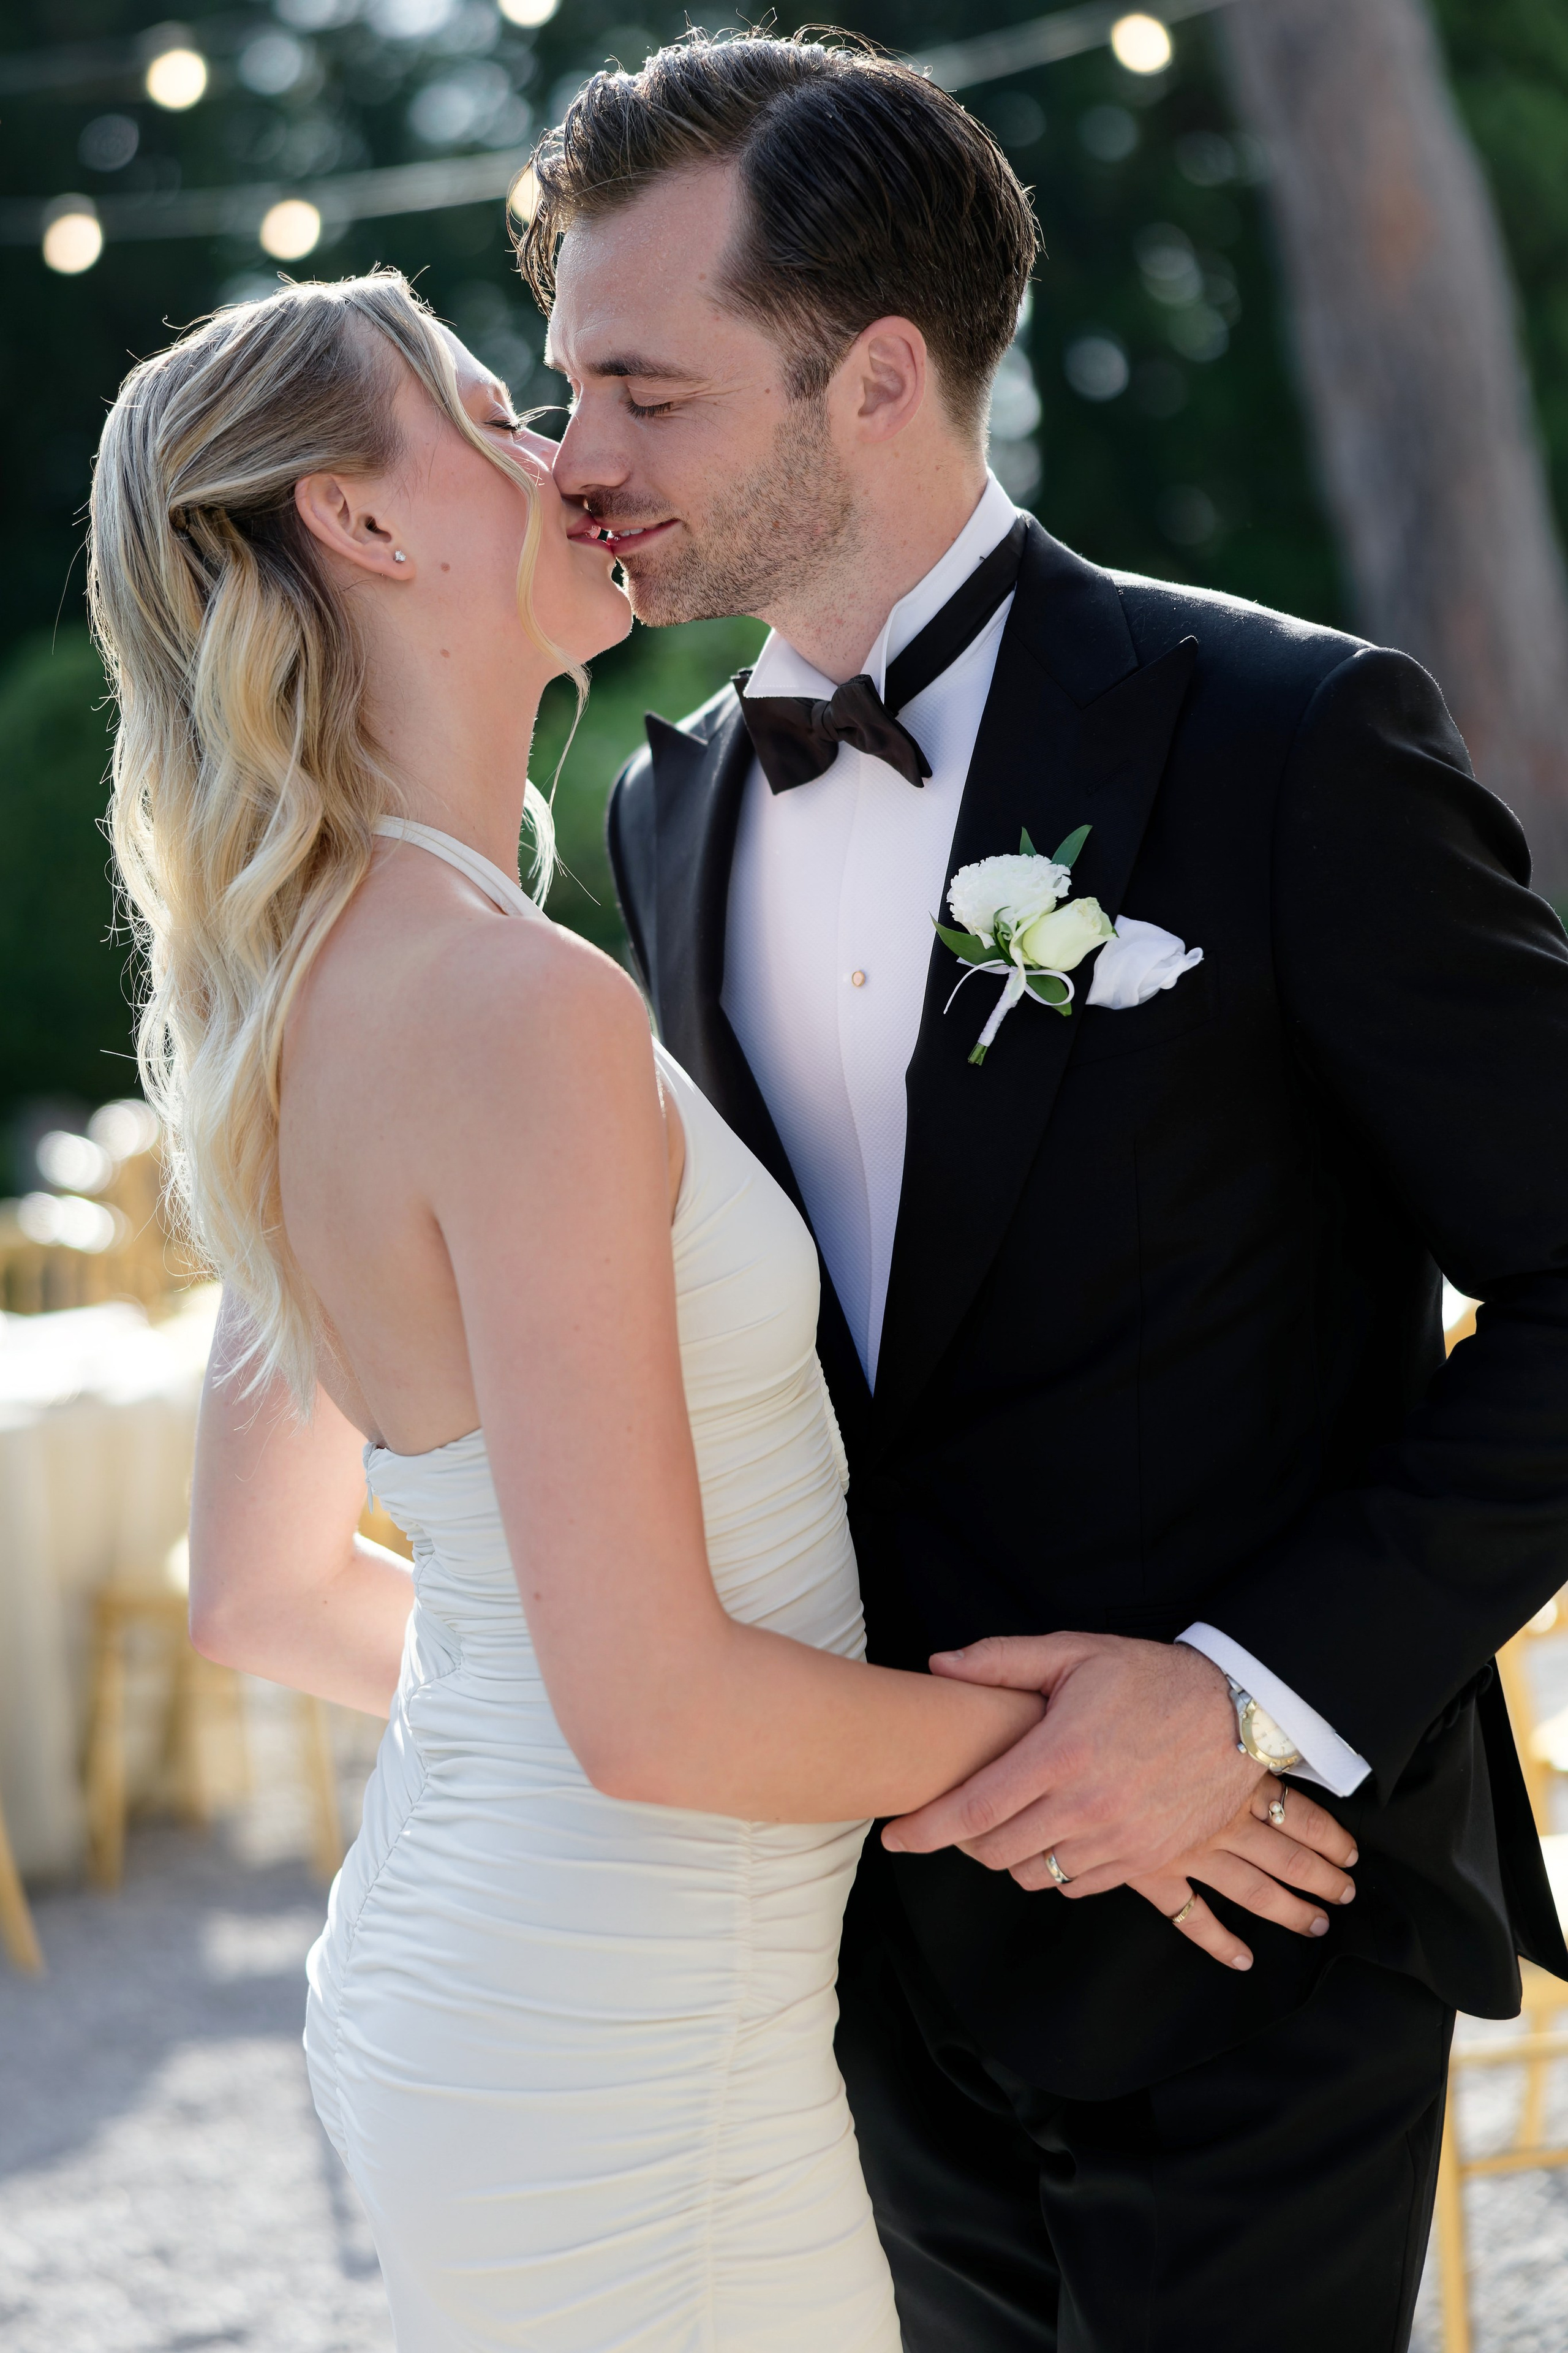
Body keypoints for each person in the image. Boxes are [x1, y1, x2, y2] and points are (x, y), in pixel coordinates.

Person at [89, 271, 1349, 2351]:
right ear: (366, 521)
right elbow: (657, 1707)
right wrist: (1118, 1754)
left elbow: (264, 1591)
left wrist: (551, 1691)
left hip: (487, 1977)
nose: (570, 456)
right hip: (624, 2042)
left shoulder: (311, 973)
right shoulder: (508, 1005)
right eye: (496, 416)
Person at [530, 29, 1568, 2352]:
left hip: (1240, 1914)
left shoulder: (1288, 740)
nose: (572, 460)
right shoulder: (667, 807)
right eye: (561, 382)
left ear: (877, 374)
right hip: (858, 1937)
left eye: (645, 392)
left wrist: (1248, 1690)